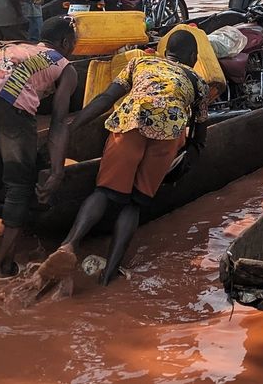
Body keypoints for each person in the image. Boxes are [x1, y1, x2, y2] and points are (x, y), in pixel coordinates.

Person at [35, 30, 209, 286]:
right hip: (167, 135)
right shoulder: (198, 82)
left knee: (105, 192)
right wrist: (192, 155)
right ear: (193, 57)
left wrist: (71, 126)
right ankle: (109, 273)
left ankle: (68, 245)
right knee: (134, 204)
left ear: (165, 52)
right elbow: (200, 133)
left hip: (131, 124)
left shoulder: (141, 62)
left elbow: (106, 98)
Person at [0, 17, 79, 278]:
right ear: (66, 43)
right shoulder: (64, 65)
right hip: (9, 101)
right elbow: (58, 121)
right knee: (19, 183)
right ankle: (4, 265)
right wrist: (57, 171)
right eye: (74, 44)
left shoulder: (12, 47)